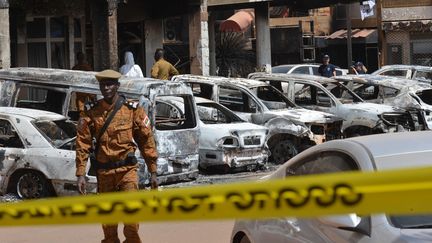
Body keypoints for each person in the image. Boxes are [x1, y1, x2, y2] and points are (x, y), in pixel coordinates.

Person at [75, 69, 158, 243]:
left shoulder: (132, 110)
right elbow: (83, 143)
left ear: (117, 86)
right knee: (109, 225)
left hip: (127, 171)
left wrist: (153, 171)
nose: (106, 88)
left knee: (131, 222)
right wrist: (81, 173)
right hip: (104, 174)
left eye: (109, 84)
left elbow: (146, 139)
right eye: (102, 85)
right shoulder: (92, 112)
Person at [71, 52, 96, 117]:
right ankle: (85, 115)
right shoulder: (85, 67)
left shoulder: (75, 68)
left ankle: (87, 114)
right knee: (92, 102)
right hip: (85, 88)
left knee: (92, 102)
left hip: (83, 88)